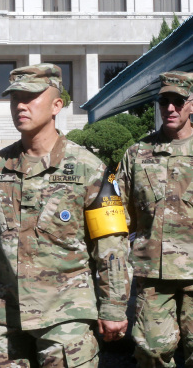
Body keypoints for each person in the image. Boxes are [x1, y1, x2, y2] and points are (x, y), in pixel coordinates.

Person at [0, 63, 131, 367]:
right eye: (15, 98)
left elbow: (111, 244)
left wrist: (113, 306)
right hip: (4, 314)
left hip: (66, 313)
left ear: (56, 105)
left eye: (31, 97)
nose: (20, 105)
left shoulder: (92, 169)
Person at [116, 71, 193, 367]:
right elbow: (119, 213)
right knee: (150, 352)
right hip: (152, 275)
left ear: (191, 104)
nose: (170, 108)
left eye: (178, 101)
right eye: (164, 100)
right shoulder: (138, 154)